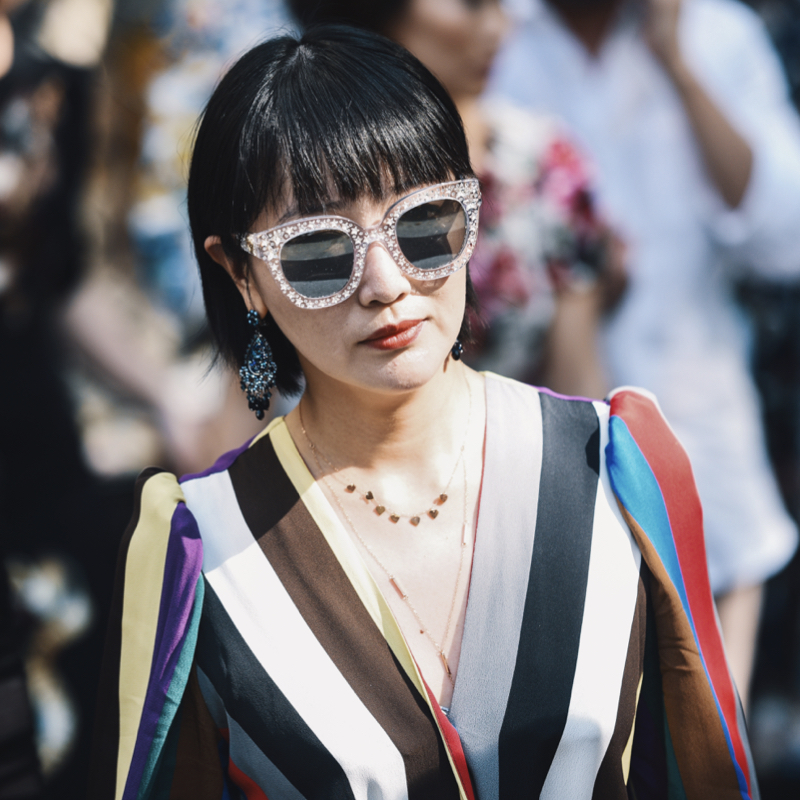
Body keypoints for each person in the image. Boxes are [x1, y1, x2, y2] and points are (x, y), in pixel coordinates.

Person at [89, 27, 757, 798]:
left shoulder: (617, 466)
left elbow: (705, 771)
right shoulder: (198, 549)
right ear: (241, 274)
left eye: (424, 224)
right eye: (317, 252)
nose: (386, 282)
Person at [490, 0, 800, 708]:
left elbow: (788, 240)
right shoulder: (484, 31)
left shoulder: (716, 34)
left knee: (712, 752)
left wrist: (680, 69)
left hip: (702, 451)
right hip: (531, 468)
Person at [289, 0, 626, 400]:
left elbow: (577, 376)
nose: (498, 28)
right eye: (471, 4)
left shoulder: (544, 167)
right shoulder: (300, 170)